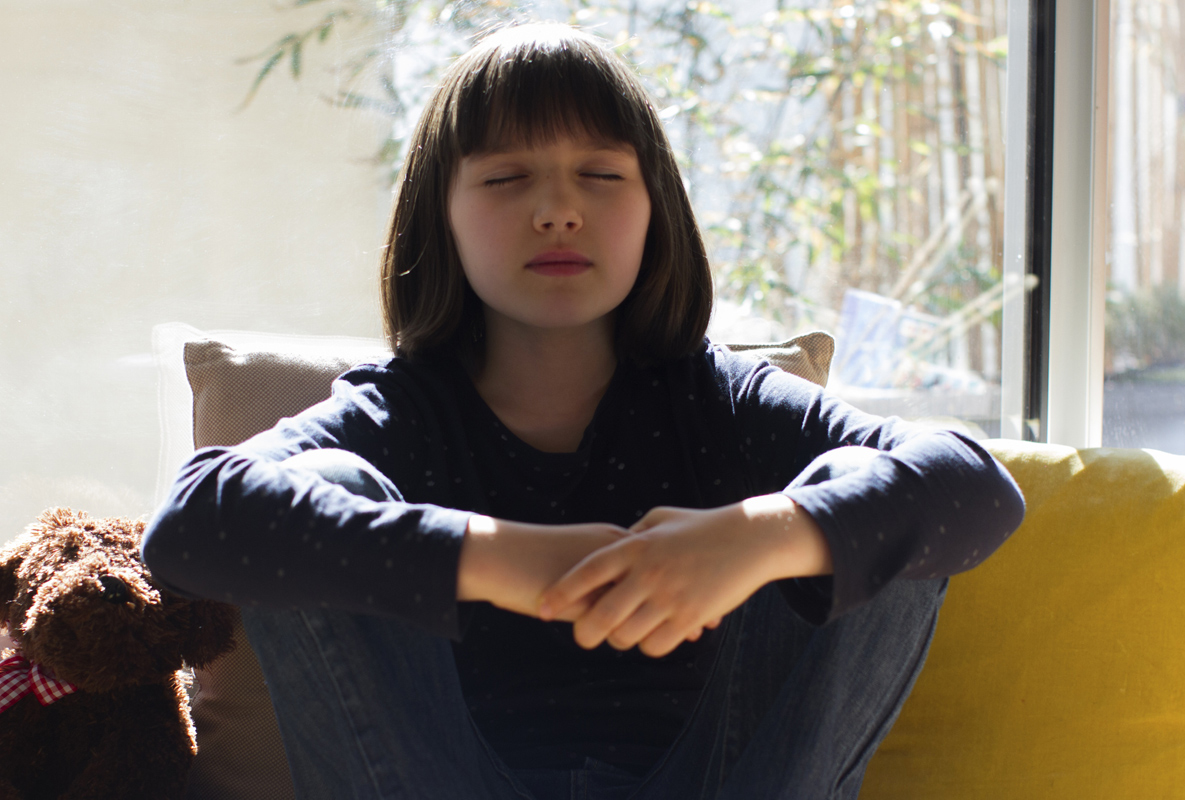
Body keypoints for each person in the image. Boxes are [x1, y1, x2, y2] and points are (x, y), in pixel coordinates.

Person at [143, 22, 1024, 800]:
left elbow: (976, 485)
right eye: (506, 178)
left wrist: (755, 539)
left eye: (601, 174)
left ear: (654, 208)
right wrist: (498, 557)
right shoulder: (401, 413)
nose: (558, 210)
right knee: (328, 483)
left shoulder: (724, 401)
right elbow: (192, 522)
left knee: (866, 489)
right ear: (441, 217)